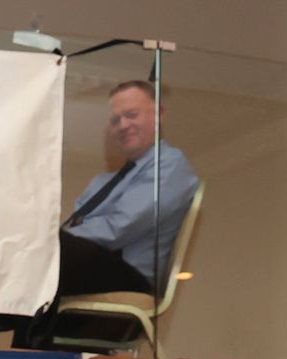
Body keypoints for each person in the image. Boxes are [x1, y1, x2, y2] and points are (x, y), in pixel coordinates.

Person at [60, 80, 199, 297]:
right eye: (116, 120)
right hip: (94, 268)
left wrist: (55, 240)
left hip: (131, 280)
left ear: (159, 114)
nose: (123, 125)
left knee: (45, 252)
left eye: (132, 114)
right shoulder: (102, 182)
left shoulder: (170, 164)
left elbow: (120, 226)